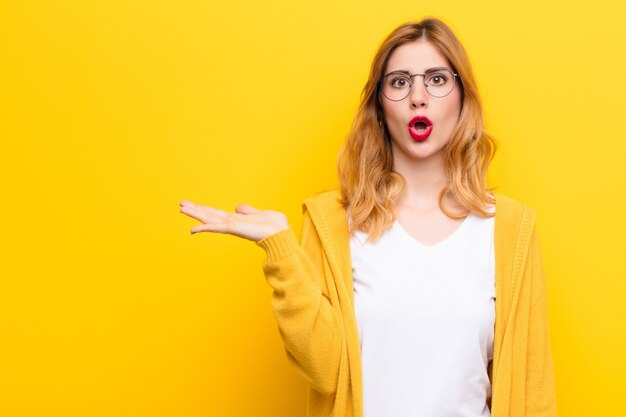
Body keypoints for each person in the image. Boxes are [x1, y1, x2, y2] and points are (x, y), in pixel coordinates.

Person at [179, 17, 557, 417]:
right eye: (399, 82)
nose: (417, 97)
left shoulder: (509, 229)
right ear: (379, 105)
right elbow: (325, 371)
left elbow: (532, 389)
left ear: (462, 97)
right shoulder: (333, 222)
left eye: (437, 79)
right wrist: (282, 251)